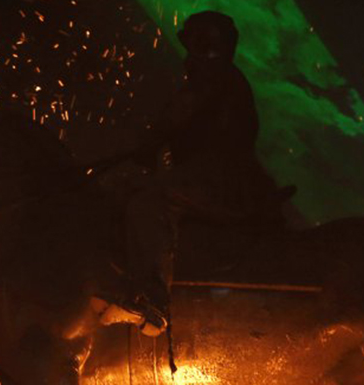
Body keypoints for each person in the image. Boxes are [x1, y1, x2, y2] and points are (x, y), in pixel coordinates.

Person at [113, 11, 283, 336]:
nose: (190, 51)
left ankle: (153, 299)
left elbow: (175, 120)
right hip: (217, 175)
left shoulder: (212, 78)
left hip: (222, 180)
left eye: (194, 43)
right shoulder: (220, 77)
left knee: (148, 204)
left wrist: (146, 146)